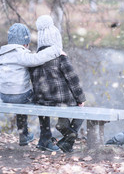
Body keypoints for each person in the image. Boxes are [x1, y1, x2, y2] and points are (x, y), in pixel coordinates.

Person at [0, 23, 62, 150]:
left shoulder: (1, 54)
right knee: (41, 100)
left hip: (4, 95)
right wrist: (55, 50)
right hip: (20, 96)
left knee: (19, 100)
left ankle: (23, 133)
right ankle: (45, 138)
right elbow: (36, 59)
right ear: (24, 43)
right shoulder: (20, 53)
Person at [29, 15, 86, 153]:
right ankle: (68, 135)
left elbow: (34, 82)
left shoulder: (34, 59)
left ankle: (46, 138)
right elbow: (73, 79)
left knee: (43, 107)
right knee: (82, 111)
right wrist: (81, 99)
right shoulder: (60, 58)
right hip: (62, 101)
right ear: (56, 39)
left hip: (42, 100)